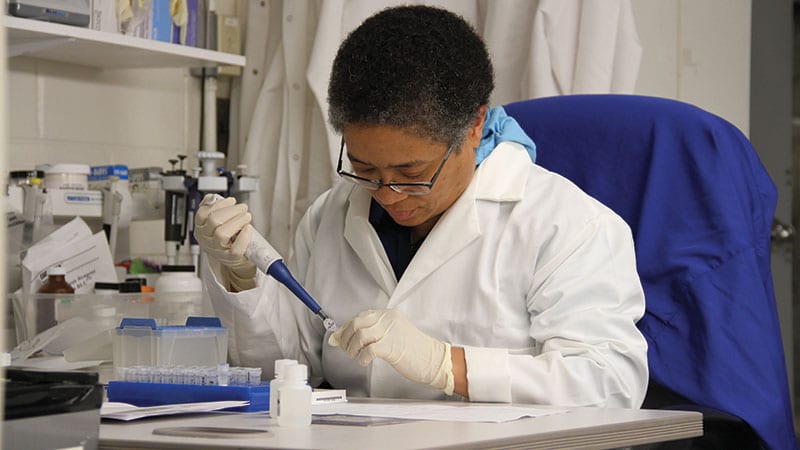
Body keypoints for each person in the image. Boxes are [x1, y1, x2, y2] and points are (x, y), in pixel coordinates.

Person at [195, 5, 648, 407]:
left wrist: (447, 366)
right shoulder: (329, 216)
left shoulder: (566, 224)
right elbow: (289, 370)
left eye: (412, 175)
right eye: (363, 167)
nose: (387, 193)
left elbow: (611, 382)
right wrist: (242, 276)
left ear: (474, 126)